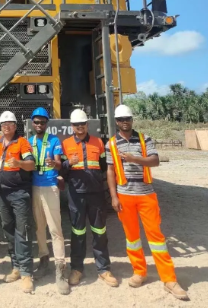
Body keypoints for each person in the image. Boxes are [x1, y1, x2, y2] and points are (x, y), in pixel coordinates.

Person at [106, 104, 189, 300]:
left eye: (127, 119)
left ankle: (169, 279)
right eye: (121, 119)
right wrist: (114, 196)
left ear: (132, 120)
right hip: (124, 196)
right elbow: (110, 170)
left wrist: (135, 159)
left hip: (146, 195)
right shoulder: (111, 144)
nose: (125, 122)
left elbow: (155, 161)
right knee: (132, 238)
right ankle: (139, 272)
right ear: (116, 122)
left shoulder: (145, 139)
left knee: (156, 238)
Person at [61, 109, 119, 288]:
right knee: (77, 233)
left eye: (83, 124)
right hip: (76, 194)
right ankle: (77, 269)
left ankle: (103, 269)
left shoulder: (98, 142)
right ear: (72, 126)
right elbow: (60, 169)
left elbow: (104, 166)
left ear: (87, 125)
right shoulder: (66, 144)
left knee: (99, 232)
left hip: (96, 193)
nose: (80, 127)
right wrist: (68, 163)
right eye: (76, 124)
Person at [0, 111, 36, 293]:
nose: (6, 126)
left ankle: (26, 273)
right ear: (0, 127)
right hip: (3, 193)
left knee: (22, 231)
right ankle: (15, 266)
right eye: (3, 124)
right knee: (8, 229)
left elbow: (31, 165)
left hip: (19, 193)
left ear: (15, 126)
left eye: (9, 124)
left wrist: (19, 163)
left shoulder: (22, 142)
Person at [27, 107, 70, 295]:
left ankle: (60, 270)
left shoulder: (54, 141)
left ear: (46, 124)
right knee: (39, 228)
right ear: (32, 123)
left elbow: (59, 164)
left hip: (50, 187)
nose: (39, 125)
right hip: (35, 187)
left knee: (55, 229)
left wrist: (54, 163)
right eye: (36, 122)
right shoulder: (28, 142)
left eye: (42, 122)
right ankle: (43, 261)